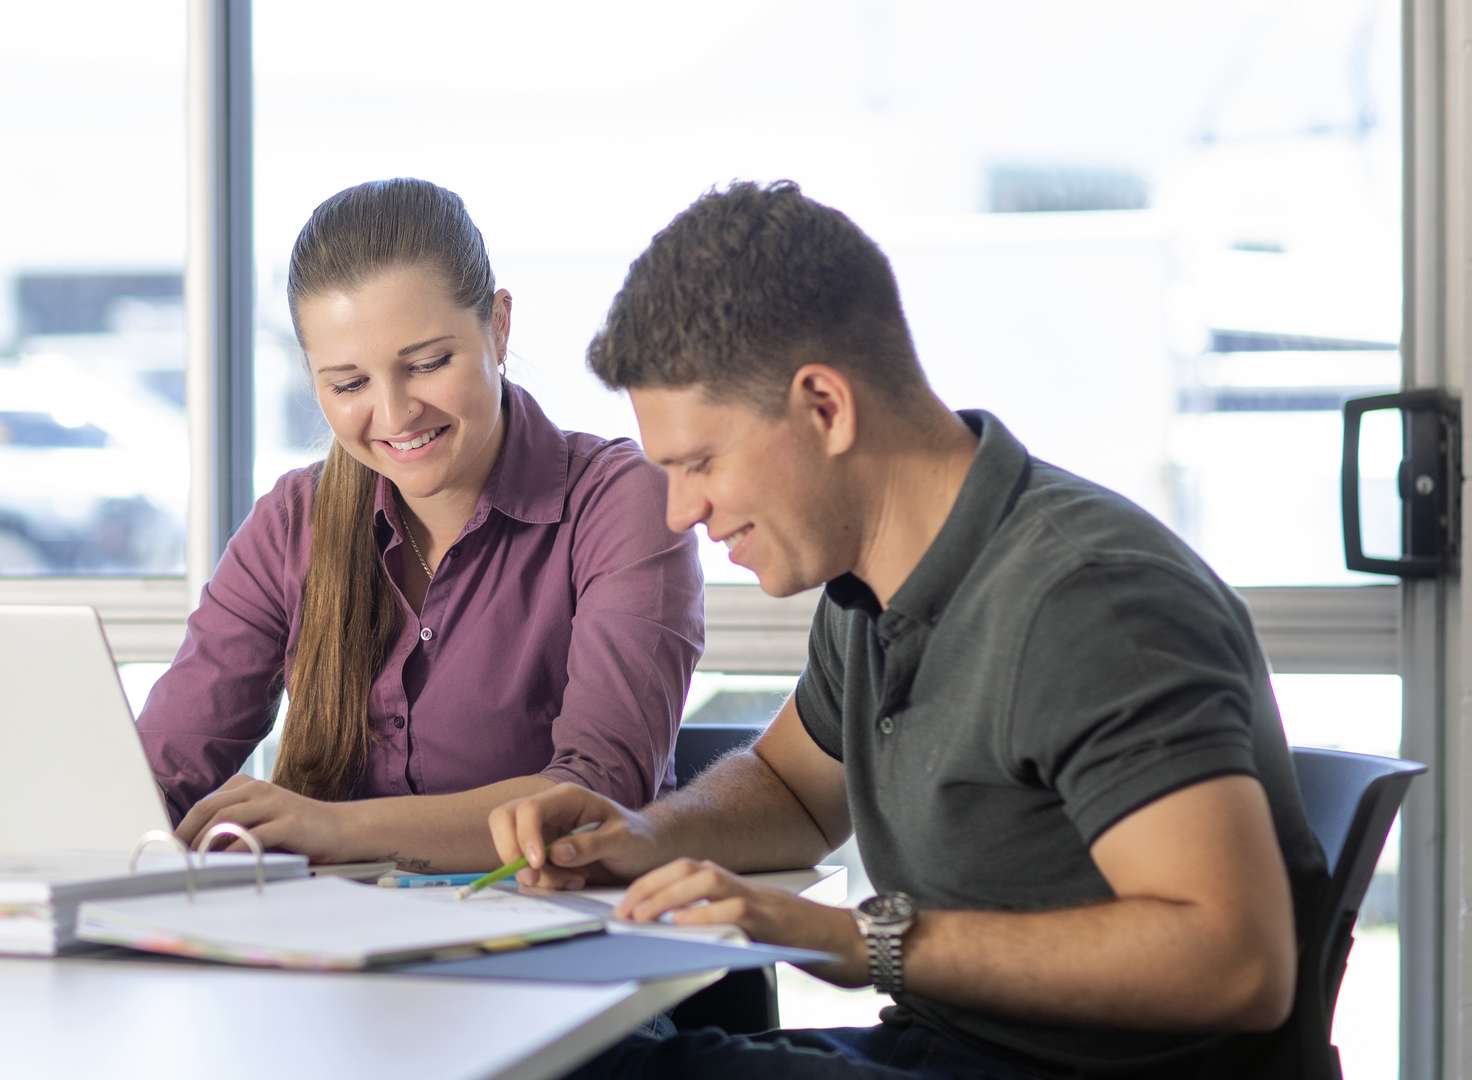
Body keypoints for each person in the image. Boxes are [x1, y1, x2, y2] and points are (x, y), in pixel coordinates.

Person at [488, 181, 1329, 1077]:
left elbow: (1235, 961)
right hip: (944, 1049)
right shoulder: (872, 586)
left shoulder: (1089, 599)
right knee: (582, 1050)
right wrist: (639, 836)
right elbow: (792, 790)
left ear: (825, 407)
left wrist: (860, 941)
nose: (679, 510)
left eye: (699, 462)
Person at [136, 178, 704, 873]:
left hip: (569, 953)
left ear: (498, 326)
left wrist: (332, 829)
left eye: (429, 364)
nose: (397, 414)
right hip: (335, 960)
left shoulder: (620, 502)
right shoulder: (292, 523)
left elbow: (595, 794)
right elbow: (158, 781)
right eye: (349, 385)